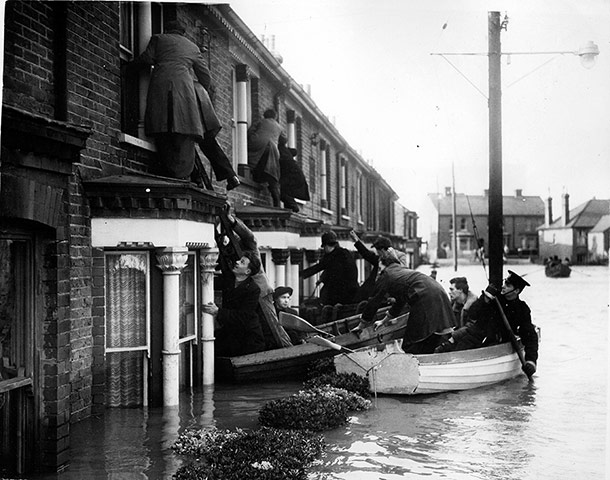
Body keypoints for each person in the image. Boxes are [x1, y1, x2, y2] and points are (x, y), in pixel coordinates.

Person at [135, 21, 240, 190]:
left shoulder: (159, 39)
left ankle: (186, 177)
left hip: (161, 91)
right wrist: (197, 91)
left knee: (166, 132)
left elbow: (146, 59)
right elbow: (206, 78)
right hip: (187, 101)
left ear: (167, 30)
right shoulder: (192, 48)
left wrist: (130, 66)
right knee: (191, 139)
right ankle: (216, 176)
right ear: (183, 33)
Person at [221, 206, 293, 349]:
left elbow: (250, 237)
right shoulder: (235, 250)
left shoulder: (250, 249)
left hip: (261, 291)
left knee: (272, 325)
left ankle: (288, 349)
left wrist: (233, 222)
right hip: (247, 292)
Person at [362, 256, 456, 354]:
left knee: (410, 343)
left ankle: (416, 362)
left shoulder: (387, 274)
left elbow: (374, 301)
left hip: (424, 298)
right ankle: (428, 357)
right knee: (433, 335)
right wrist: (384, 321)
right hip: (440, 292)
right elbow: (400, 302)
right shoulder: (403, 272)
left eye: (380, 268)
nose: (379, 272)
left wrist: (362, 324)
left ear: (385, 265)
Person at [201, 251, 265, 357]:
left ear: (247, 271)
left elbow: (244, 316)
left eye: (242, 262)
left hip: (248, 338)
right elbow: (208, 282)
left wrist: (218, 311)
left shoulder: (253, 289)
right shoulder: (229, 280)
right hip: (231, 333)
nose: (237, 262)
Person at [434, 284, 505, 353]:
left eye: (452, 289)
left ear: (460, 290)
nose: (449, 292)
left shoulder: (471, 306)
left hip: (466, 338)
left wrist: (453, 336)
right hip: (459, 335)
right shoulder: (454, 305)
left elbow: (471, 327)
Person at [300, 231, 359, 306]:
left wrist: (301, 274)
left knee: (324, 297)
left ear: (327, 246)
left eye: (324, 247)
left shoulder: (332, 257)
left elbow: (320, 267)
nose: (324, 249)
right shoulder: (344, 253)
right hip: (352, 291)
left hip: (342, 293)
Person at [498, 270, 539, 378]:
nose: (503, 287)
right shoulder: (495, 300)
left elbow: (530, 336)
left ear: (516, 291)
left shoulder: (522, 309)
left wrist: (531, 362)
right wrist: (485, 298)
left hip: (503, 341)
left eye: (507, 285)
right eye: (504, 283)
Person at [247, 109, 284, 206]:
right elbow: (284, 139)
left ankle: (251, 175)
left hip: (258, 144)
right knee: (273, 176)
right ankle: (277, 204)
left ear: (265, 115)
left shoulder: (261, 121)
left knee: (255, 163)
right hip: (273, 150)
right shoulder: (279, 127)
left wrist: (254, 137)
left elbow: (250, 131)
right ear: (275, 116)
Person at [277, 136, 310, 212]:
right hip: (295, 175)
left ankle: (293, 208)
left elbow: (283, 161)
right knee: (286, 192)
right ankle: (290, 209)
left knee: (282, 192)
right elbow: (294, 151)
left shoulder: (280, 150)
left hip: (292, 176)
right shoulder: (285, 150)